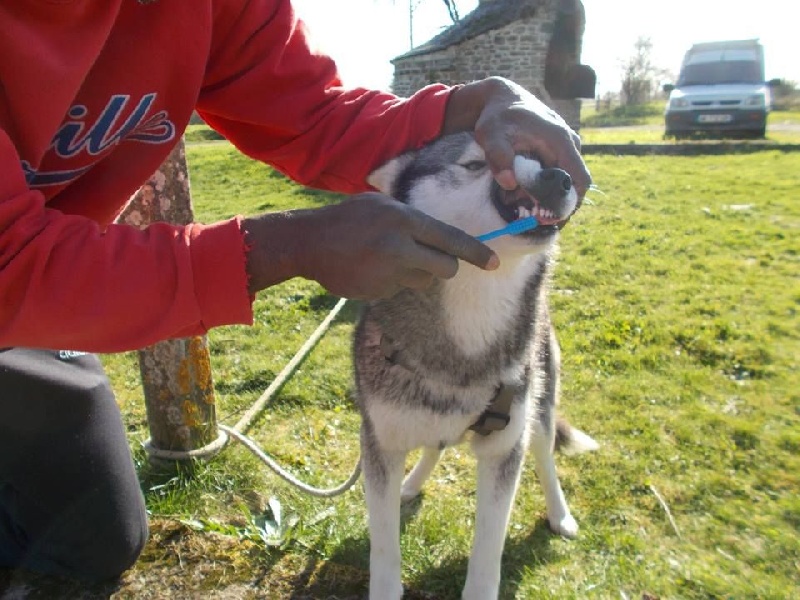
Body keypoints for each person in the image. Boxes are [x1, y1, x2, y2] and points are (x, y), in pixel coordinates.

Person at [0, 0, 591, 583]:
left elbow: (313, 114)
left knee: (95, 535)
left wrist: (468, 105)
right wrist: (289, 248)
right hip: (20, 281)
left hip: (32, 317)